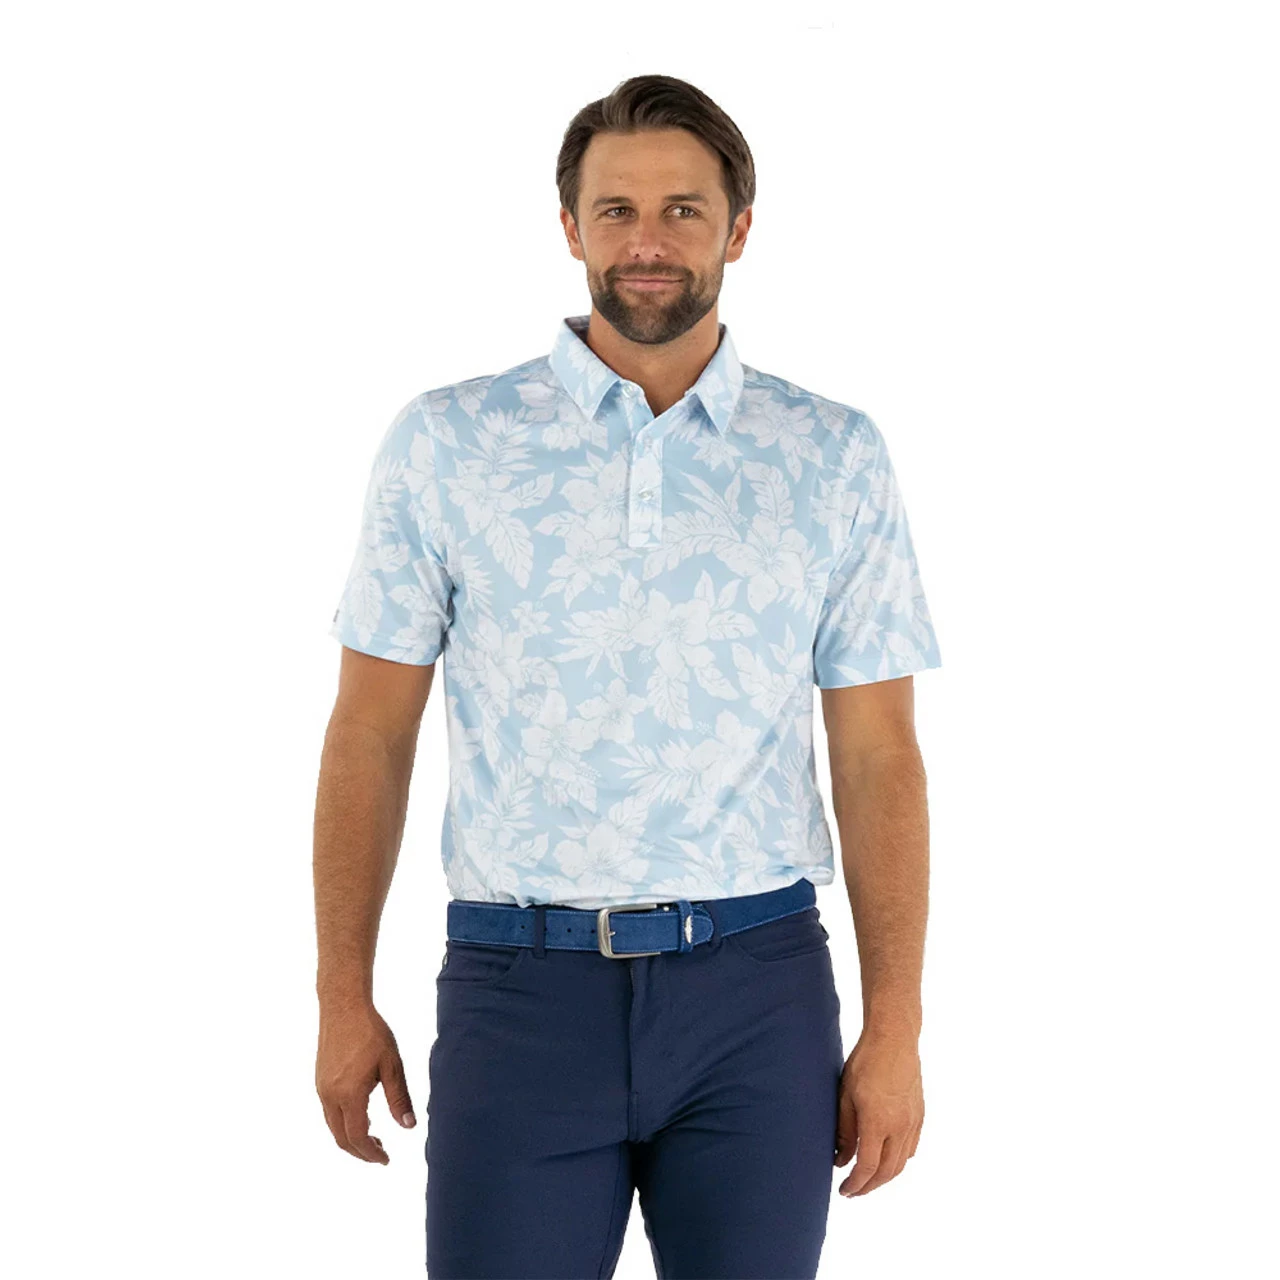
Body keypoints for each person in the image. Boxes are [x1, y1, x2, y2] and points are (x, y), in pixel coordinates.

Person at [314, 72, 942, 1280]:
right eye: (616, 210)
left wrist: (896, 1023)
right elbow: (368, 733)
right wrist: (341, 991)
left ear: (737, 230)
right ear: (569, 228)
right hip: (518, 989)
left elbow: (878, 756)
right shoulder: (447, 442)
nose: (646, 242)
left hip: (756, 989)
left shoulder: (831, 455)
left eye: (681, 210)